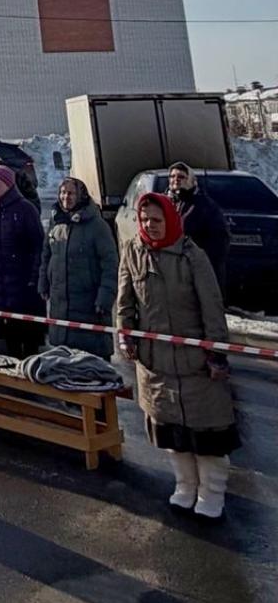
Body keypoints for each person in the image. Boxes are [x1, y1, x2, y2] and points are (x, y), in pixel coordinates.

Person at [116, 193, 237, 519]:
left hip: (195, 363)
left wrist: (216, 354)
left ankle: (211, 493)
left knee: (206, 433)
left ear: (170, 220)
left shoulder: (191, 256)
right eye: (144, 220)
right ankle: (184, 486)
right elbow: (125, 302)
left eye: (157, 220)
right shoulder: (132, 252)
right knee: (172, 431)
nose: (150, 226)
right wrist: (126, 335)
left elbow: (212, 308)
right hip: (155, 364)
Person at [38, 178, 118, 358]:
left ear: (81, 195)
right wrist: (43, 282)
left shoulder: (97, 226)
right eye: (63, 192)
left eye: (71, 193)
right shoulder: (56, 222)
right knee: (64, 364)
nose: (66, 197)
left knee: (90, 365)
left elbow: (110, 264)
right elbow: (46, 254)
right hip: (60, 304)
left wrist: (105, 297)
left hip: (89, 306)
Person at [0, 165, 46, 358]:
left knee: (27, 326)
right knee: (7, 329)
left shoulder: (25, 209)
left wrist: (35, 275)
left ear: (8, 183)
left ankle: (30, 361)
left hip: (22, 279)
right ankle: (13, 361)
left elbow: (39, 245)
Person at [168, 161, 229, 292]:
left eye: (181, 177)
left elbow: (219, 238)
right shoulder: (165, 202)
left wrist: (203, 260)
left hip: (197, 266)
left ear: (191, 180)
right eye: (172, 176)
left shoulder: (204, 206)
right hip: (171, 266)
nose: (176, 180)